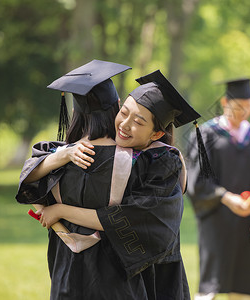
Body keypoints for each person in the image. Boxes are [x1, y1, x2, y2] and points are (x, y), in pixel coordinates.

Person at [16, 64, 202, 299]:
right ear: (116, 107)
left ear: (157, 133)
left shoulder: (155, 163)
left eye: (139, 121)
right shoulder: (156, 162)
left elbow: (137, 218)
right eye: (123, 112)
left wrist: (60, 209)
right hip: (126, 278)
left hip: (73, 273)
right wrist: (62, 156)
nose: (124, 124)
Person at [186, 78, 250, 299]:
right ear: (225, 102)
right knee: (210, 285)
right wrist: (228, 198)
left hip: (247, 221)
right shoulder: (207, 134)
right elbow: (198, 180)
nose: (245, 111)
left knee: (243, 287)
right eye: (239, 106)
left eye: (249, 105)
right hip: (215, 220)